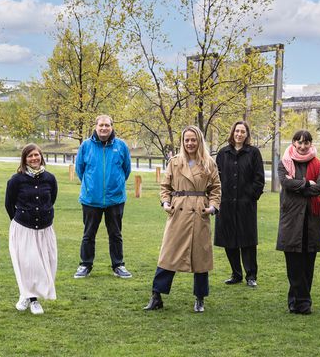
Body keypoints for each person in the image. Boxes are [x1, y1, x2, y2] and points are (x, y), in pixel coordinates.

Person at [144, 125, 221, 313]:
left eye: (193, 139)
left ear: (199, 141)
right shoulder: (175, 162)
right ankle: (156, 296)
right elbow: (165, 187)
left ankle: (200, 298)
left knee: (200, 257)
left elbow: (216, 189)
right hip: (178, 212)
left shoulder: (209, 163)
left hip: (199, 213)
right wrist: (165, 203)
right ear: (182, 141)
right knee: (168, 255)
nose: (190, 143)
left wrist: (211, 208)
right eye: (186, 140)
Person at [74, 115, 133, 279]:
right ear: (96, 126)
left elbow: (126, 169)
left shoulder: (121, 146)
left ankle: (118, 265)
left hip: (115, 199)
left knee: (115, 234)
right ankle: (85, 265)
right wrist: (91, 186)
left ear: (112, 127)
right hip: (91, 199)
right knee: (88, 234)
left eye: (107, 125)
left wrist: (116, 185)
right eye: (101, 125)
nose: (104, 128)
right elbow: (80, 169)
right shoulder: (86, 146)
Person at [276, 130, 320, 315]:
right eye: (300, 142)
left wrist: (298, 184)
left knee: (307, 264)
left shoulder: (319, 164)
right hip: (291, 220)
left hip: (312, 220)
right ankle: (304, 303)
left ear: (310, 144)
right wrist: (308, 184)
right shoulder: (285, 162)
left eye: (306, 143)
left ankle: (296, 302)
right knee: (293, 264)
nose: (303, 146)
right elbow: (285, 183)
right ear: (294, 143)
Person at [5, 144, 58, 315]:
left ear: (41, 156)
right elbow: (9, 204)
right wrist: (21, 218)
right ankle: (32, 300)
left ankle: (26, 295)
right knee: (28, 264)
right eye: (30, 156)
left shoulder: (50, 178)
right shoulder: (16, 180)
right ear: (24, 159)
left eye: (36, 155)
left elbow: (52, 199)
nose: (34, 158)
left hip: (44, 229)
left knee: (44, 266)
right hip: (24, 228)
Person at [215, 121, 265, 287]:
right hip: (226, 204)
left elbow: (259, 179)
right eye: (237, 131)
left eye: (242, 131)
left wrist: (251, 196)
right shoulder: (223, 153)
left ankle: (251, 276)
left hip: (246, 204)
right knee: (229, 240)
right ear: (232, 132)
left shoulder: (253, 153)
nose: (239, 134)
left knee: (248, 241)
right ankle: (236, 274)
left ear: (247, 134)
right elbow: (216, 178)